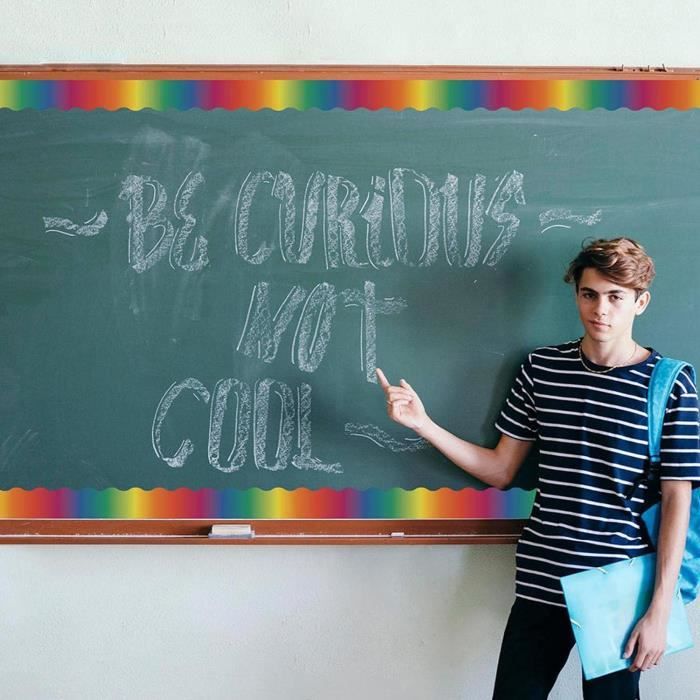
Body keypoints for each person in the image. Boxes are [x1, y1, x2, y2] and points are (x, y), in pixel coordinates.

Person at [376, 237, 700, 699]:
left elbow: (677, 498)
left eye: (616, 297)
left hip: (617, 588)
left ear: (640, 302)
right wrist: (423, 424)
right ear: (576, 295)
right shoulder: (541, 369)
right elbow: (501, 469)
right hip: (542, 580)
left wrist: (660, 609)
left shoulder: (671, 382)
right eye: (589, 294)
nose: (601, 310)